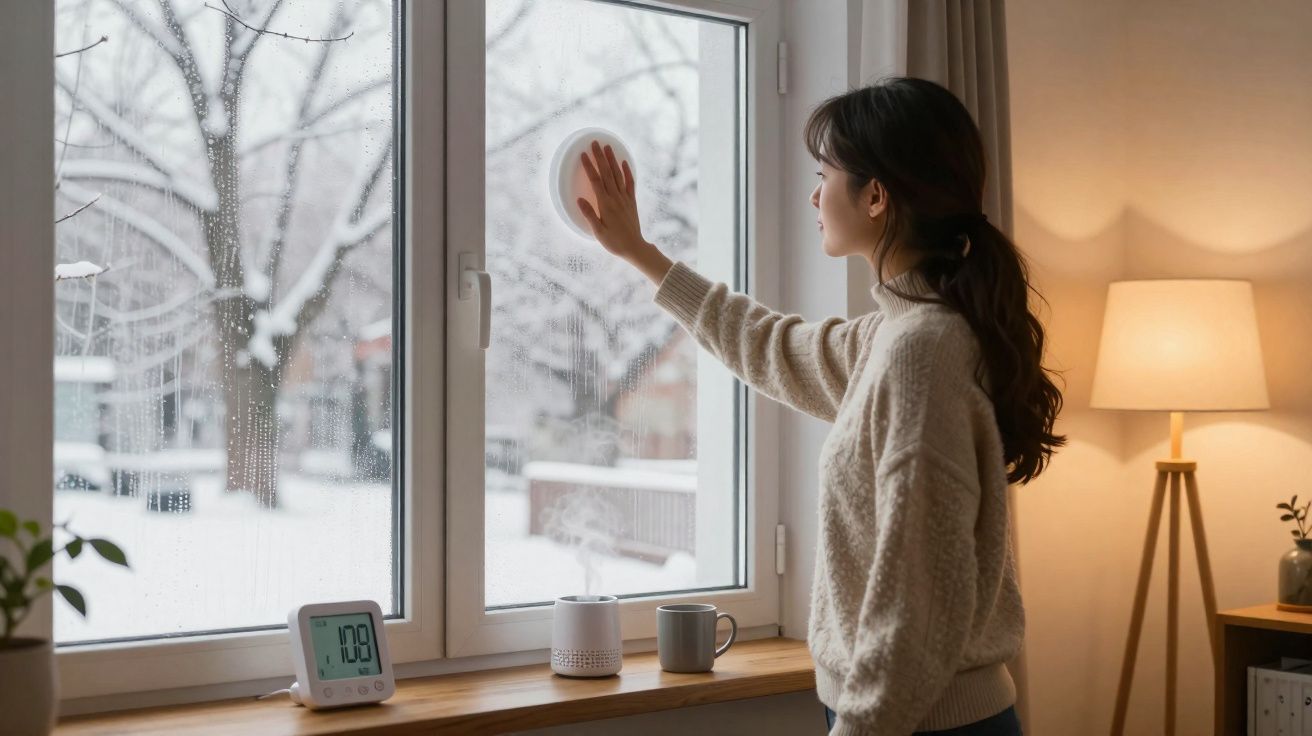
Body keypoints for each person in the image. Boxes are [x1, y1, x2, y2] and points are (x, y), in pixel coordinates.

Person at [574, 77, 1063, 736]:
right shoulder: (900, 335)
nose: (814, 193)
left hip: (921, 723)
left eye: (824, 173)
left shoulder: (922, 353)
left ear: (876, 195)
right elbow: (771, 345)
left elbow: (919, 598)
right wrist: (641, 253)